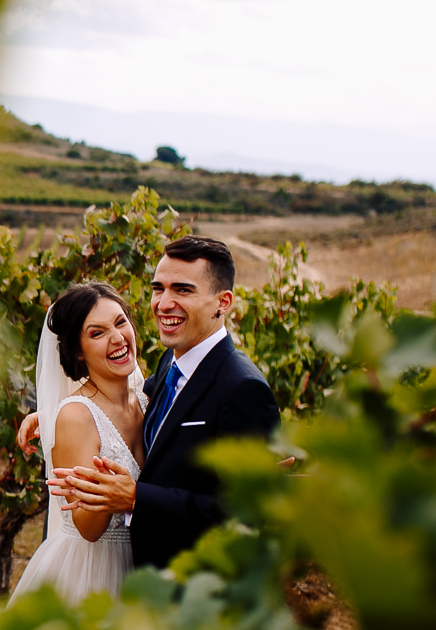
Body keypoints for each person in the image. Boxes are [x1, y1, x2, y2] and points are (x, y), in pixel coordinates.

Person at [49, 236, 280, 571]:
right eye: (159, 288)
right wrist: (54, 415)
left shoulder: (242, 389)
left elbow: (245, 513)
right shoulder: (169, 365)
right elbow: (128, 406)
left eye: (183, 290)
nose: (164, 303)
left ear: (223, 302)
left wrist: (136, 498)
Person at [7, 282, 146, 608]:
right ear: (78, 351)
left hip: (144, 565)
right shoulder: (75, 418)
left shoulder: (147, 398)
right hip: (95, 573)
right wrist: (110, 494)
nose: (117, 337)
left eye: (120, 322)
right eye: (97, 333)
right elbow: (88, 528)